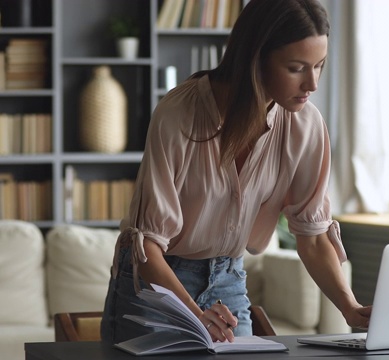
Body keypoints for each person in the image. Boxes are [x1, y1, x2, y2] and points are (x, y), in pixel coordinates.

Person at [101, 0, 371, 345]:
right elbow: (147, 246)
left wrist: (350, 307)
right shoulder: (178, 115)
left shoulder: (306, 125)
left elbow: (314, 236)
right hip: (159, 281)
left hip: (227, 277)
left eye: (318, 66)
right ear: (255, 59)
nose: (312, 84)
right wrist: (196, 317)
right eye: (296, 68)